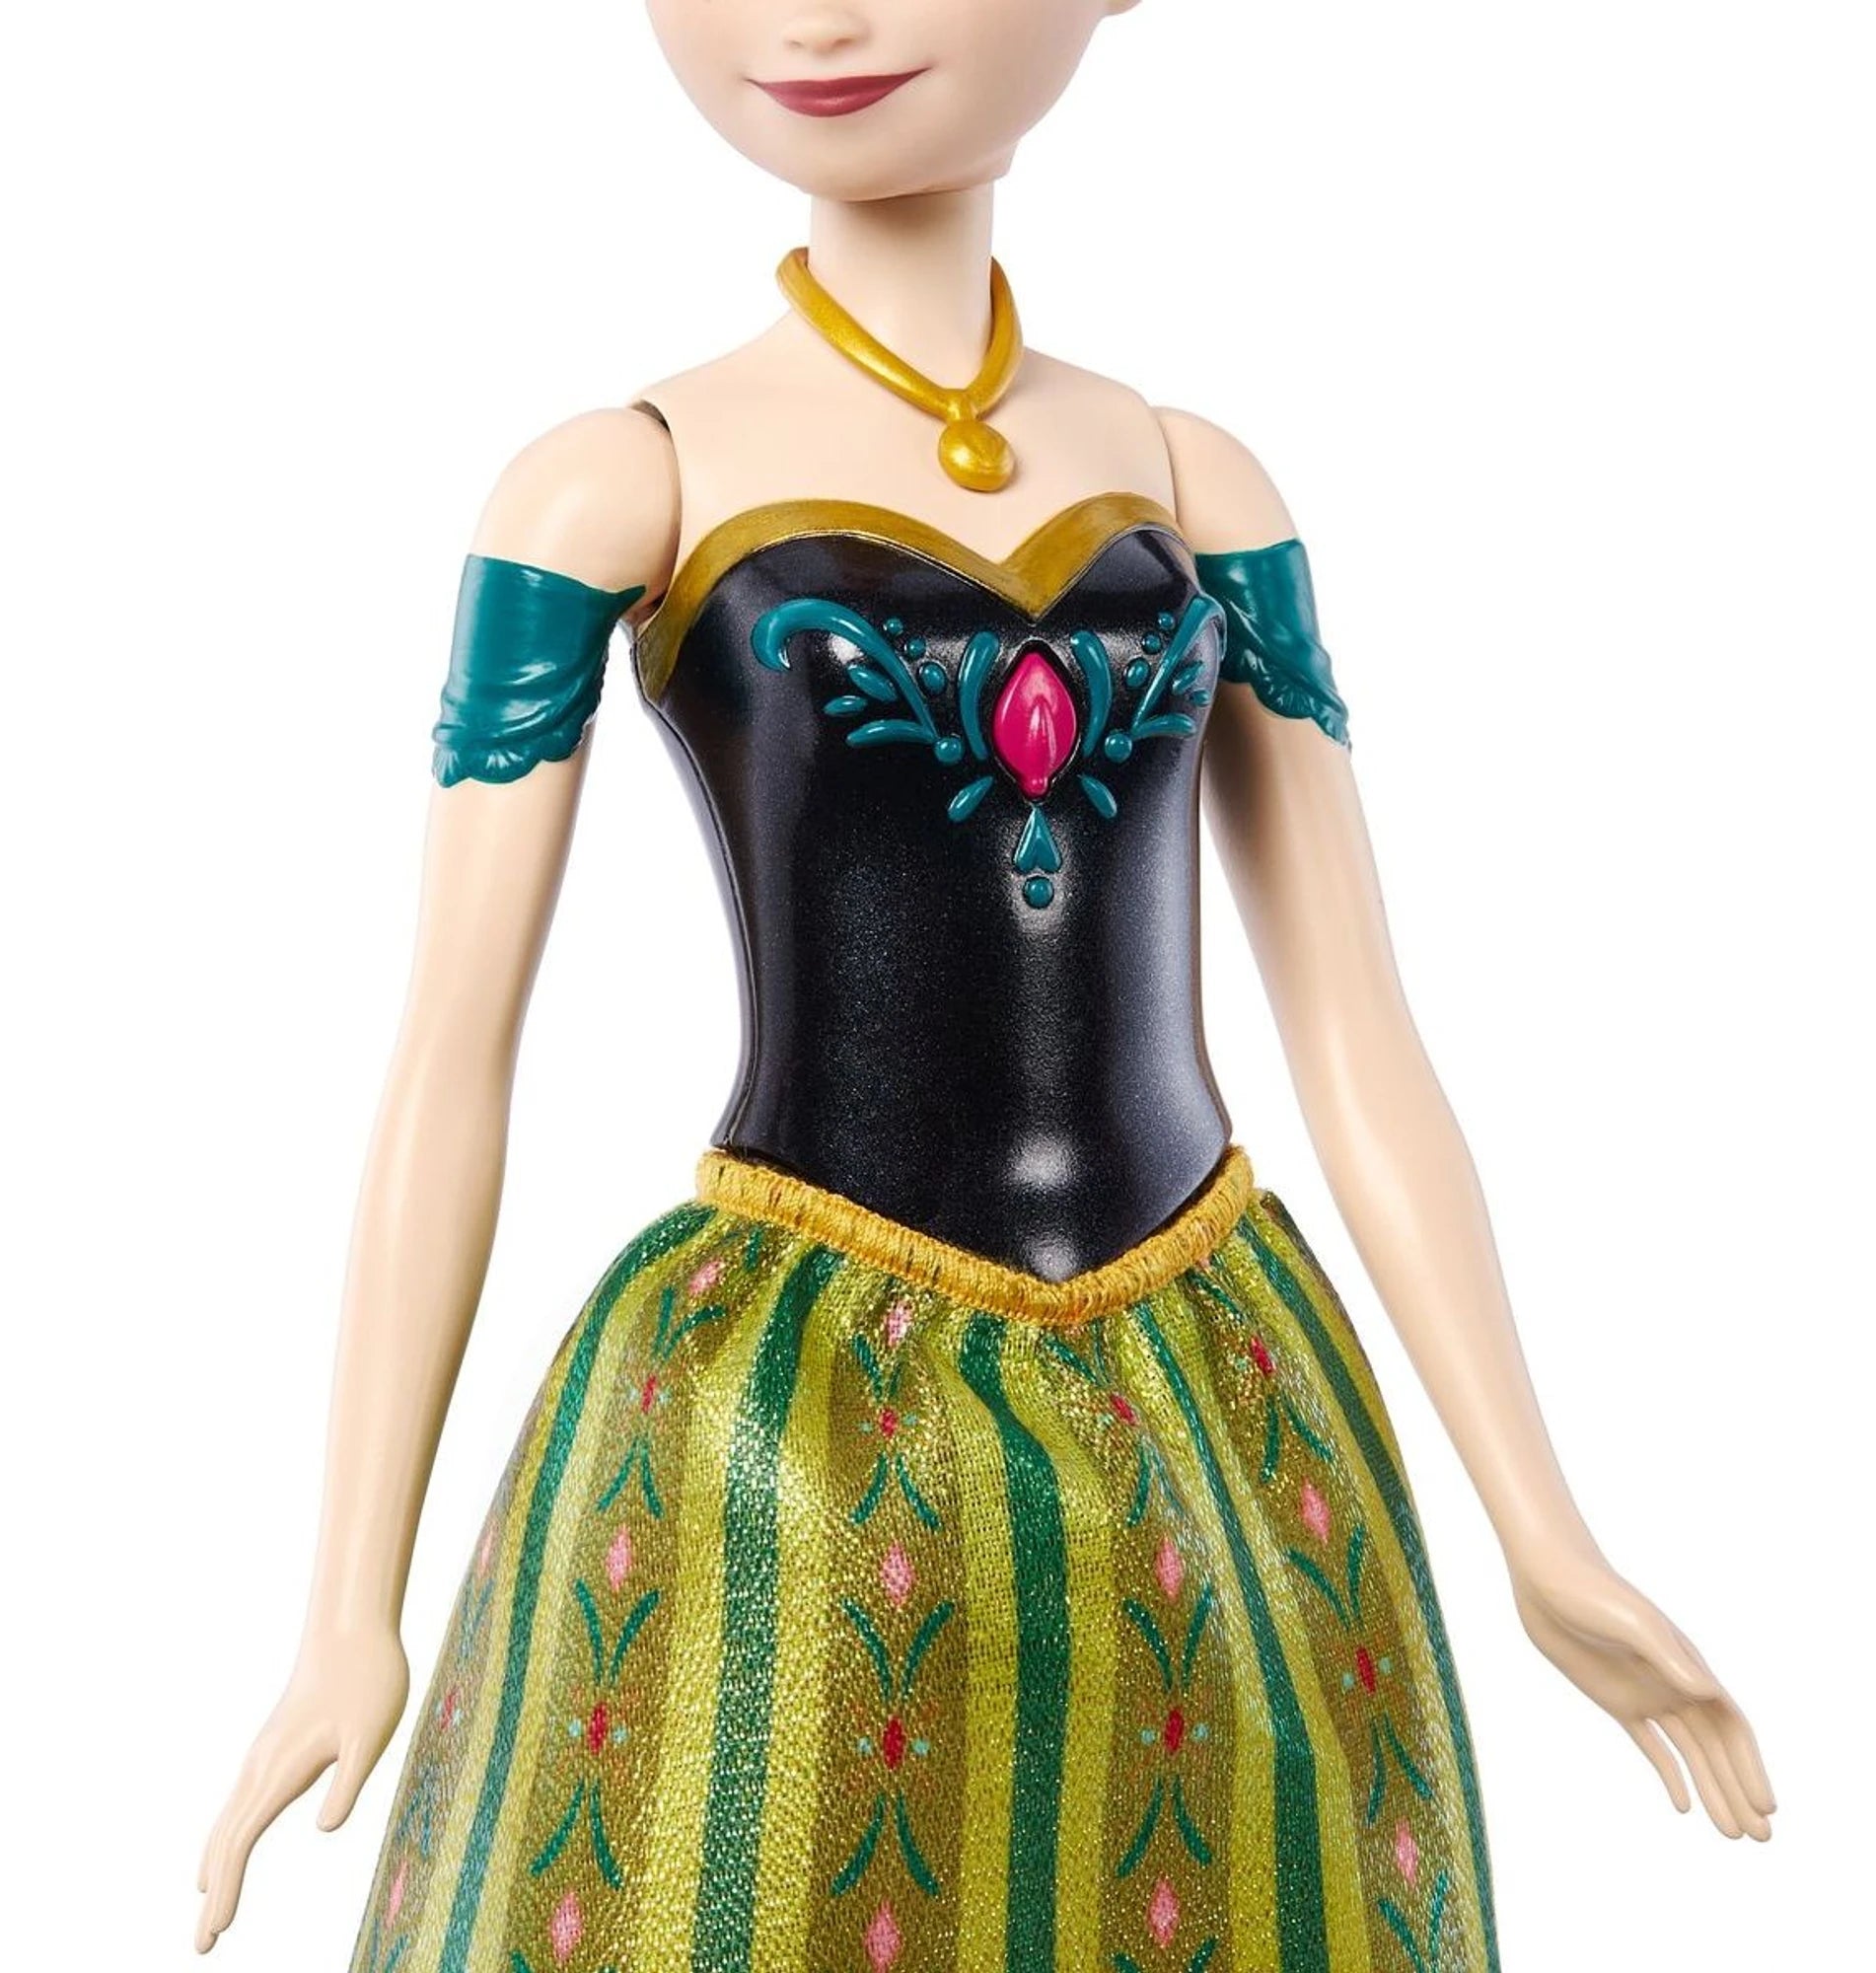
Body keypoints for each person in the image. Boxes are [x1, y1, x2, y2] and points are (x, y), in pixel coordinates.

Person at [193, 2, 1775, 1966]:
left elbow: (1356, 1028)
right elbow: (451, 1052)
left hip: (1205, 1402)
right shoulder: (617, 484)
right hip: (789, 1431)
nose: (811, 18)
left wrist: (1543, 1527)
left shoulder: (1192, 480)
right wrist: (347, 1605)